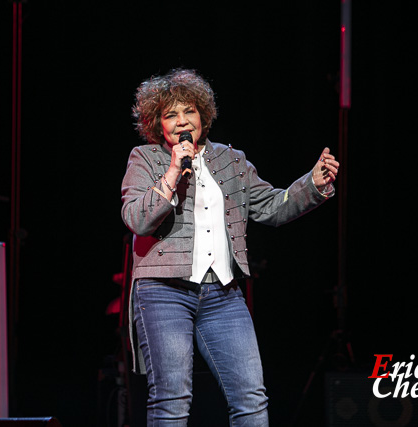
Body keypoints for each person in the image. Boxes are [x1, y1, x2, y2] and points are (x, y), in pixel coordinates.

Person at [120, 68, 339, 426]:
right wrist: (173, 172)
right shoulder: (145, 159)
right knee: (171, 400)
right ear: (156, 124)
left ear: (202, 116)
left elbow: (270, 206)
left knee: (251, 399)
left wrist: (311, 184)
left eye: (188, 111)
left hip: (223, 294)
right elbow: (137, 219)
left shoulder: (231, 160)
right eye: (170, 115)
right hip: (163, 292)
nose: (180, 122)